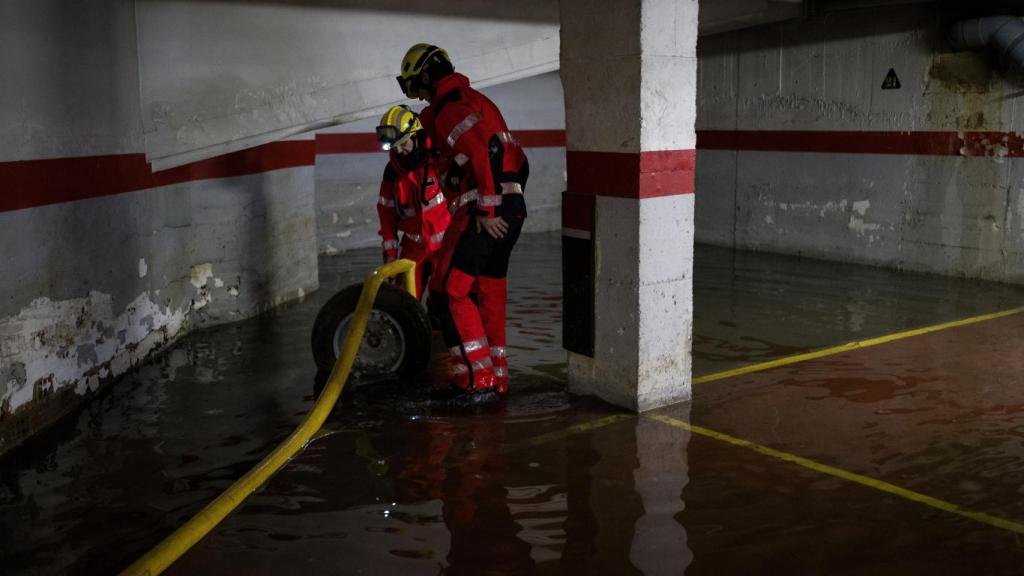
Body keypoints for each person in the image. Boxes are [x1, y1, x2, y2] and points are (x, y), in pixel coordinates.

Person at [396, 44, 529, 399]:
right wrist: (506, 204)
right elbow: (517, 158)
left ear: (425, 77)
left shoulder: (449, 110)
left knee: (449, 294)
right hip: (510, 210)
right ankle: (496, 379)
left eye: (415, 86)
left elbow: (483, 152)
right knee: (489, 291)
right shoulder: (477, 102)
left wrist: (487, 210)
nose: (419, 97)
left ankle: (475, 381)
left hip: (483, 213)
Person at [374, 104, 451, 300]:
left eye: (404, 143)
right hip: (413, 249)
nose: (399, 150)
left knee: (447, 302)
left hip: (446, 247)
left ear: (416, 136)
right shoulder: (392, 173)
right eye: (394, 146)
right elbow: (387, 216)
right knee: (405, 302)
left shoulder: (439, 162)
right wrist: (390, 254)